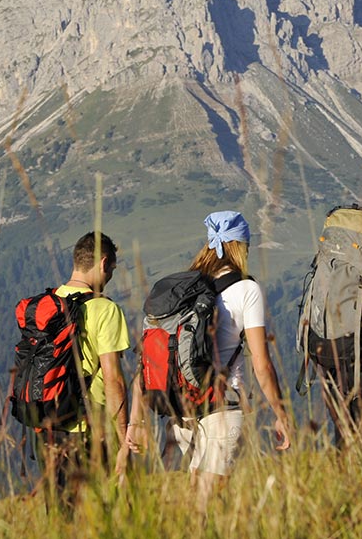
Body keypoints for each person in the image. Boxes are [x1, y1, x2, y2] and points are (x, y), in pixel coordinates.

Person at [125, 210, 292, 505]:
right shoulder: (247, 290)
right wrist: (281, 414)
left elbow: (148, 360)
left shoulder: (183, 291)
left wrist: (135, 421)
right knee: (207, 505)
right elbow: (262, 364)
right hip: (225, 408)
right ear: (241, 247)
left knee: (196, 505)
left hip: (183, 411)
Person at [42, 231, 131, 494]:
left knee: (61, 518)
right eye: (112, 269)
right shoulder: (104, 309)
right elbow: (114, 380)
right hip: (91, 430)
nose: (110, 276)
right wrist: (124, 438)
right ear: (103, 263)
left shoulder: (50, 303)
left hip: (50, 428)